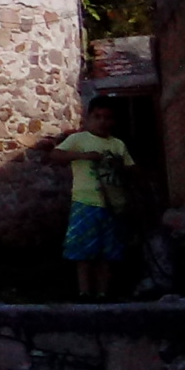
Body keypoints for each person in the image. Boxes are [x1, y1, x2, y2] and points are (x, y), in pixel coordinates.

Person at [50, 99, 134, 300]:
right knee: (83, 251)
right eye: (97, 117)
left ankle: (103, 293)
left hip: (113, 205)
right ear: (88, 118)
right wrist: (85, 156)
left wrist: (119, 167)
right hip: (85, 203)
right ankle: (84, 293)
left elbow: (131, 169)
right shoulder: (79, 139)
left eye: (107, 118)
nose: (102, 122)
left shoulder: (117, 144)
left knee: (108, 252)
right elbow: (55, 156)